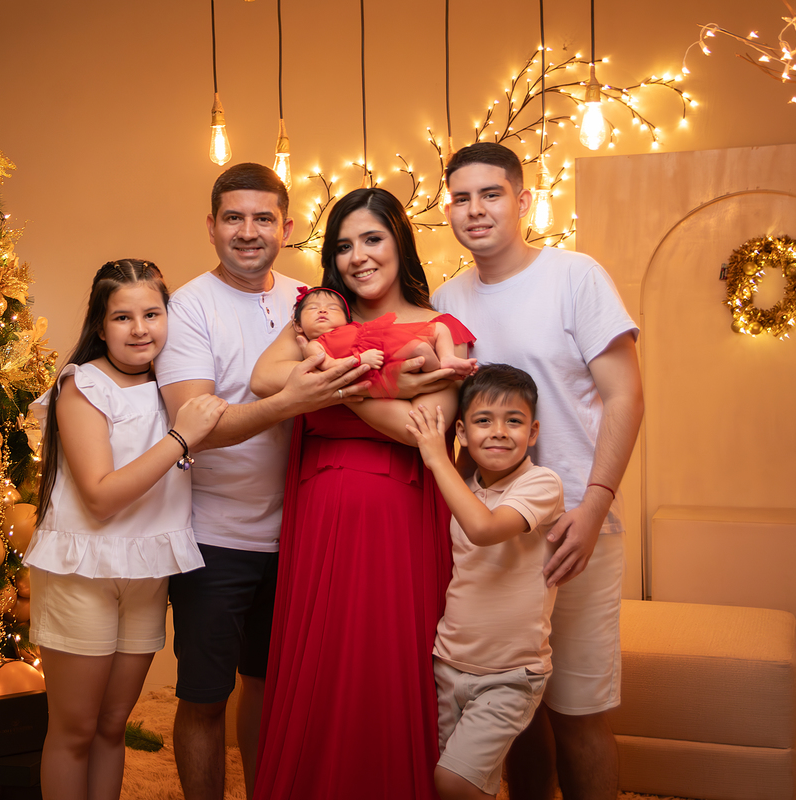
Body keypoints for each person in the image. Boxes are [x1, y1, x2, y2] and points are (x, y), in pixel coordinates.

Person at [154, 163, 373, 800]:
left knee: (272, 688)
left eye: (262, 218)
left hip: (302, 533)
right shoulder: (188, 308)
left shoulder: (312, 300)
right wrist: (288, 402)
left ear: (288, 226)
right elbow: (193, 427)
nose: (247, 232)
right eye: (233, 218)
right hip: (213, 537)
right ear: (211, 226)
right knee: (204, 696)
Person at [432, 142, 644, 800]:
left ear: (522, 201)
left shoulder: (574, 276)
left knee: (580, 712)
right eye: (461, 198)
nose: (475, 210)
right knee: (511, 713)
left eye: (491, 194)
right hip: (489, 535)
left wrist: (595, 503)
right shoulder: (446, 299)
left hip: (573, 525)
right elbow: (450, 416)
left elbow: (626, 395)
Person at [249, 186, 472, 799]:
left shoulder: (440, 328)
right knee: (319, 665)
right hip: (321, 507)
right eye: (344, 246)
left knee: (388, 662)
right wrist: (381, 380)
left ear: (400, 241)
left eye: (372, 239)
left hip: (399, 514)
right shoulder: (322, 319)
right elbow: (264, 378)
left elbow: (419, 429)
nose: (358, 257)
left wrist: (331, 384)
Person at [24, 259, 228, 800]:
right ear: (100, 324)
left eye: (152, 314)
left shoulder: (173, 386)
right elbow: (100, 497)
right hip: (84, 569)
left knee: (113, 726)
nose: (140, 329)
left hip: (145, 570)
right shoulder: (82, 385)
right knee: (75, 730)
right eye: (123, 317)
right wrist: (181, 438)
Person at [406, 365, 564, 800]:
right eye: (483, 420)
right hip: (448, 663)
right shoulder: (465, 488)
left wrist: (437, 456)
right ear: (462, 431)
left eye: (513, 421)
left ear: (532, 432)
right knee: (466, 783)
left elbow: (485, 529)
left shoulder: (541, 483)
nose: (498, 432)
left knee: (454, 781)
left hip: (510, 675)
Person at [293, 285, 478, 396]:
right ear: (298, 325)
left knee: (439, 328)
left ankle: (447, 357)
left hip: (385, 337)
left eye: (333, 308)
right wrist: (360, 360)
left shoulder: (354, 327)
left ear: (346, 319)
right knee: (420, 349)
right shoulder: (315, 344)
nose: (323, 310)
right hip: (381, 356)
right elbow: (330, 366)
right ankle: (442, 372)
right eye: (313, 308)